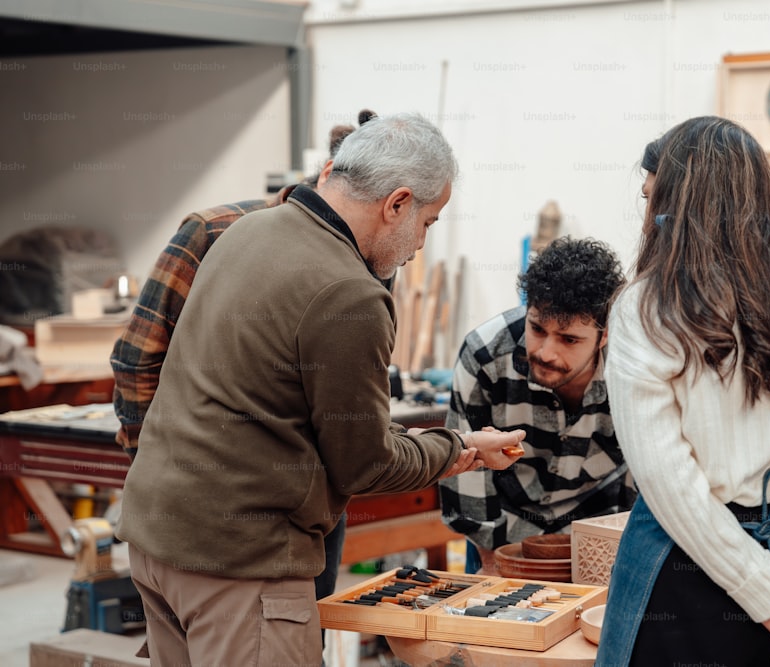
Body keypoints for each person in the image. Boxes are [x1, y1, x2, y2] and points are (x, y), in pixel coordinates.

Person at [115, 112, 526, 667]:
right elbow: (366, 464)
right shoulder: (349, 293)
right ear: (397, 203)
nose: (421, 244)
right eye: (428, 222)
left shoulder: (245, 231)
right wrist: (463, 449)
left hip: (156, 540)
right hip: (242, 564)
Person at [595, 115, 770, 666]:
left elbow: (669, 484)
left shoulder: (647, 308)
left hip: (688, 574)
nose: (649, 217)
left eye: (654, 200)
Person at [109, 111, 375, 642]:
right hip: (209, 511)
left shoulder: (365, 256)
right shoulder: (213, 231)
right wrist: (173, 473)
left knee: (293, 634)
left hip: (304, 500)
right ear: (329, 177)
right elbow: (137, 360)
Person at [440, 236, 635, 575]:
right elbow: (466, 471)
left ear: (604, 336)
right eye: (537, 328)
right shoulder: (485, 356)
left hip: (599, 528)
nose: (546, 352)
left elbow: (645, 474)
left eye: (569, 339)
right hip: (501, 529)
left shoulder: (634, 367)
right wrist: (493, 565)